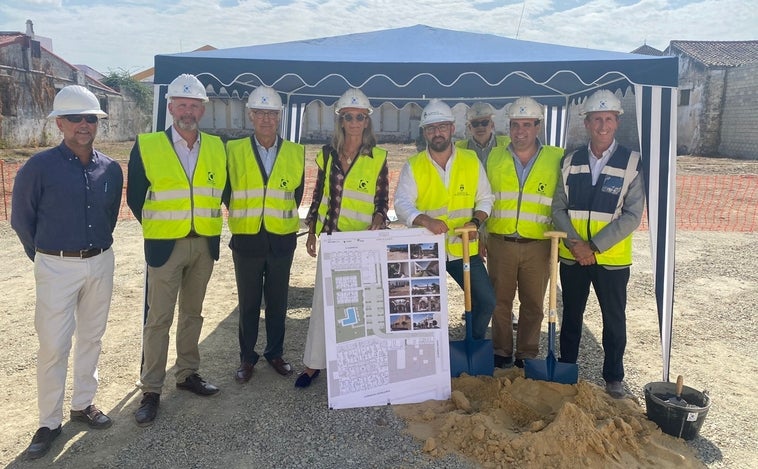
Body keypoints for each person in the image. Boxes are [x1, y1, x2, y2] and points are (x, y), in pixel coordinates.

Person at [11, 85, 123, 459]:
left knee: (92, 336)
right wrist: (45, 257)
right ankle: (48, 422)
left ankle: (83, 404)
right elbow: (22, 219)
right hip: (55, 264)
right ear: (59, 123)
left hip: (100, 260)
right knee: (53, 345)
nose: (83, 125)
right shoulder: (38, 167)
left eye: (90, 118)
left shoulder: (110, 167)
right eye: (75, 118)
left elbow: (108, 216)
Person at [127, 74, 227, 425]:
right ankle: (151, 389)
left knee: (193, 314)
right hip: (165, 247)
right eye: (181, 104)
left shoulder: (217, 147)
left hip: (203, 244)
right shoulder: (148, 145)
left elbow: (222, 192)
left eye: (194, 105)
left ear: (202, 109)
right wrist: (161, 229)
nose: (187, 110)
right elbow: (135, 198)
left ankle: (187, 375)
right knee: (159, 319)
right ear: (170, 107)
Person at [551, 89, 645, 399]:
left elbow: (632, 215)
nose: (602, 125)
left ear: (617, 122)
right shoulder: (570, 161)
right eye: (596, 119)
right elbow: (558, 208)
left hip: (611, 259)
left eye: (608, 119)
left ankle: (614, 376)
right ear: (586, 123)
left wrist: (594, 247)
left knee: (614, 319)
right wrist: (577, 246)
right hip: (573, 257)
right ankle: (567, 366)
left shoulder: (632, 162)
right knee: (572, 316)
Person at [296, 88, 389, 388]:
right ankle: (313, 364)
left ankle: (357, 364)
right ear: (341, 120)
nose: (353, 122)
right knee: (324, 303)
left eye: (359, 117)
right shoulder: (327, 154)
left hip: (363, 242)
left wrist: (379, 217)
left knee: (359, 305)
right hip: (333, 240)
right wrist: (312, 229)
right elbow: (319, 194)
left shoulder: (378, 157)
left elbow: (381, 201)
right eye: (348, 117)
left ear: (367, 121)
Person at [394, 99, 496, 341]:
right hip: (427, 251)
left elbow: (485, 198)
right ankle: (430, 352)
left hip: (463, 250)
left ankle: (472, 340)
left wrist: (475, 222)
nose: (436, 133)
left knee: (486, 300)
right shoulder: (414, 165)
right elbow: (401, 204)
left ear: (452, 128)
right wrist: (425, 221)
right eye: (431, 128)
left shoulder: (471, 160)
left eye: (441, 127)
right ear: (424, 132)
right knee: (423, 308)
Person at [225, 86, 305, 382]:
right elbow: (226, 191)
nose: (266, 119)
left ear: (279, 117)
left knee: (277, 301)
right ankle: (247, 358)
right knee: (248, 303)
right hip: (247, 239)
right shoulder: (232, 150)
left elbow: (295, 194)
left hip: (281, 240)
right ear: (250, 115)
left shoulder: (295, 152)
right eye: (260, 113)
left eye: (272, 113)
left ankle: (275, 352)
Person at [485, 97, 563, 369]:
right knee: (500, 302)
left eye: (527, 125)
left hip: (538, 243)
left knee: (533, 304)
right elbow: (483, 198)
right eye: (515, 125)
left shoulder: (556, 158)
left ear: (538, 127)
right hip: (500, 241)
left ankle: (527, 354)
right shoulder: (494, 156)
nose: (520, 131)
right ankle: (502, 351)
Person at [455, 102, 510, 166]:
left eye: (484, 123)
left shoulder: (508, 144)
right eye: (475, 124)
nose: (480, 127)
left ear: (492, 125)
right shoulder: (458, 148)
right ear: (470, 127)